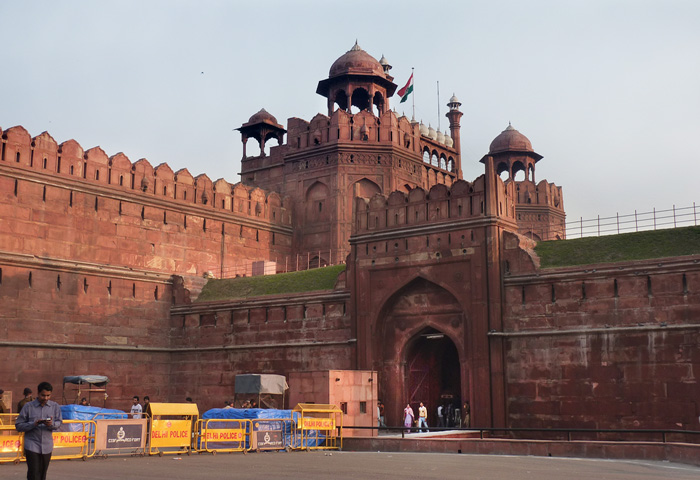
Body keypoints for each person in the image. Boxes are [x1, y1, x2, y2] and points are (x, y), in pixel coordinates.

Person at [15, 381, 62, 480]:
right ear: (38, 393)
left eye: (48, 395)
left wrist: (51, 425)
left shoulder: (55, 406)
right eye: (43, 395)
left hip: (47, 445)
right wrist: (33, 424)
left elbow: (59, 423)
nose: (45, 398)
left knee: (42, 473)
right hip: (32, 445)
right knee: (33, 473)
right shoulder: (28, 406)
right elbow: (18, 425)